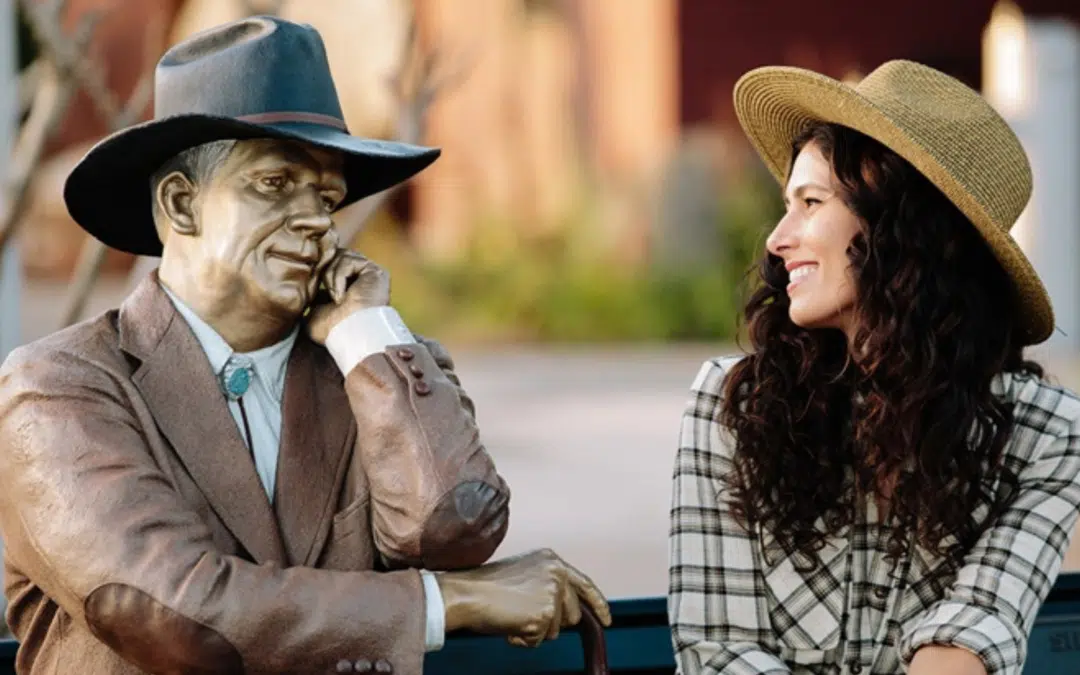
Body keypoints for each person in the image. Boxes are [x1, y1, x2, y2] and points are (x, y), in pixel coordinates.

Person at [0, 16, 609, 675]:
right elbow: (171, 612)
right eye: (275, 185)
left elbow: (457, 528)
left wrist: (363, 333)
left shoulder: (374, 364)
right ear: (181, 205)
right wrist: (444, 601)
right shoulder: (57, 387)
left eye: (326, 196)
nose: (317, 220)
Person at [667, 59, 1080, 675]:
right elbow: (719, 654)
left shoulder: (1048, 434)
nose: (777, 240)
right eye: (788, 204)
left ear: (901, 229)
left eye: (811, 202)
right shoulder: (735, 405)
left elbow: (964, 642)